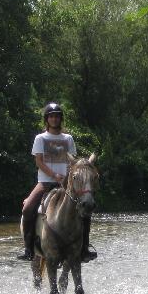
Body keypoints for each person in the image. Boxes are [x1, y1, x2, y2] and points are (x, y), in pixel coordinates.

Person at [18, 102, 97, 262]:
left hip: (66, 184)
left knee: (85, 209)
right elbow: (39, 162)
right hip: (45, 182)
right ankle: (28, 248)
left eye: (57, 116)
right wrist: (55, 175)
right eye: (51, 116)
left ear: (61, 119)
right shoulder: (40, 138)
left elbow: (73, 162)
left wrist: (68, 177)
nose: (54, 119)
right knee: (28, 208)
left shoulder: (68, 138)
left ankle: (84, 249)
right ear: (47, 119)